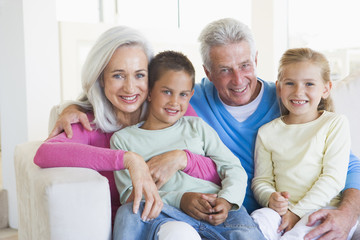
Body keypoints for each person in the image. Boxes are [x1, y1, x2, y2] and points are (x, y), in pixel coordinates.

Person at [50, 18, 360, 239]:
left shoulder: (288, 98)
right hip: (207, 212)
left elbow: (347, 165)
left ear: (256, 59)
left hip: (246, 212)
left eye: (244, 66)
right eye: (224, 70)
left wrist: (348, 214)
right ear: (207, 73)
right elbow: (145, 92)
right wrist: (75, 106)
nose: (238, 80)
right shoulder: (188, 101)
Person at [33, 26, 220, 226]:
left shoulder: (170, 110)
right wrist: (128, 159)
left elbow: (218, 173)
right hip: (130, 226)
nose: (130, 88)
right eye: (118, 75)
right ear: (101, 78)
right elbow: (44, 153)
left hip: (184, 222)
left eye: (139, 75)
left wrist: (182, 158)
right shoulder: (88, 122)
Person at [111, 50, 265, 240]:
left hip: (214, 208)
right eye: (167, 92)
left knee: (247, 233)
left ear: (191, 95)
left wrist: (226, 200)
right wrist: (180, 199)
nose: (175, 102)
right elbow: (129, 194)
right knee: (128, 213)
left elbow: (233, 168)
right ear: (149, 92)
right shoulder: (124, 139)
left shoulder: (197, 127)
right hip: (165, 213)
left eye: (183, 94)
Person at [250, 48, 358, 239]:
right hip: (282, 213)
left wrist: (297, 213)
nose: (299, 91)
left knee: (299, 235)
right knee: (257, 220)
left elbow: (333, 179)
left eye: (309, 84)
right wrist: (270, 197)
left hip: (324, 209)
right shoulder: (267, 132)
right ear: (279, 87)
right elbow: (262, 181)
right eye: (290, 83)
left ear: (325, 89)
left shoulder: (334, 123)